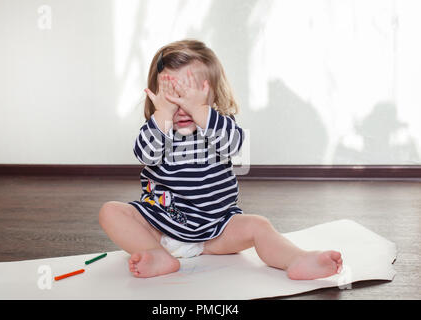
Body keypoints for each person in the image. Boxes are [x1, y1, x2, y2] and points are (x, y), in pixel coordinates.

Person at [99, 39, 343, 279]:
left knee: (259, 225)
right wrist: (162, 116)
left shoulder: (219, 126)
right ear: (156, 97)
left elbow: (234, 147)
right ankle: (157, 254)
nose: (182, 107)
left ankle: (296, 259)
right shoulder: (156, 129)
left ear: (213, 95)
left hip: (216, 229)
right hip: (162, 226)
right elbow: (145, 154)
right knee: (111, 212)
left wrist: (202, 114)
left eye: (192, 97)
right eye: (172, 97)